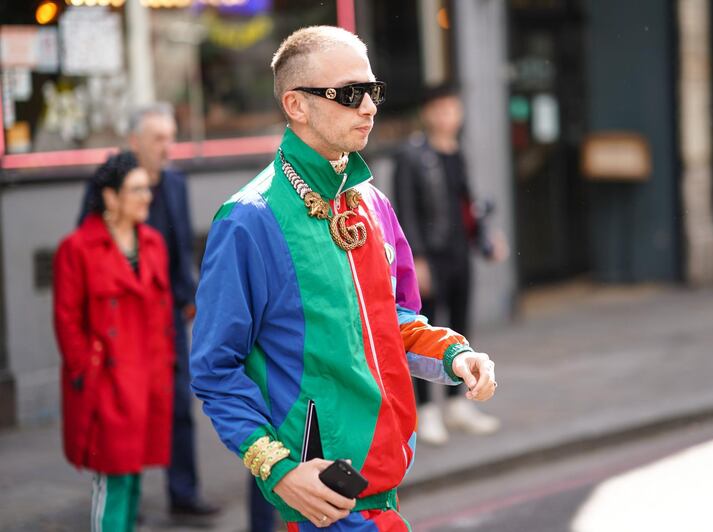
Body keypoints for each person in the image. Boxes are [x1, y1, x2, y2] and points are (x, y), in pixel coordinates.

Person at [190, 25, 498, 530]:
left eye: (372, 91)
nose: (369, 107)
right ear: (297, 105)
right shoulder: (249, 219)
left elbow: (391, 322)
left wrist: (454, 355)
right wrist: (281, 472)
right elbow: (215, 369)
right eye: (350, 94)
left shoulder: (373, 203)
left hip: (384, 489)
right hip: (315, 504)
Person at [78, 104, 220, 520]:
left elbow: (180, 247)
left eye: (171, 136)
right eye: (158, 138)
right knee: (125, 408)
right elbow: (89, 247)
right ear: (135, 141)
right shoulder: (107, 182)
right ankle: (127, 492)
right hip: (122, 322)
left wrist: (190, 295)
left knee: (178, 403)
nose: (168, 147)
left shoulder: (175, 182)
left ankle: (184, 493)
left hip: (166, 316)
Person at [53, 152, 175, 531]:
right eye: (136, 189)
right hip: (107, 383)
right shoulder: (76, 249)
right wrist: (85, 370)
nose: (147, 197)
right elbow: (66, 320)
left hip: (149, 380)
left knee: (135, 476)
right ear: (110, 197)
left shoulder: (153, 242)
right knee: (114, 481)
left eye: (147, 188)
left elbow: (163, 310)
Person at [393, 84, 508, 446]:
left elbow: (465, 205)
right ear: (428, 113)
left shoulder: (458, 152)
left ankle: (459, 404)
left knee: (460, 327)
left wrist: (486, 237)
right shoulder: (411, 155)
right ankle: (426, 412)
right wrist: (417, 262)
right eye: (441, 109)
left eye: (453, 109)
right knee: (422, 333)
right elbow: (406, 211)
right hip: (431, 257)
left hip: (460, 253)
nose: (448, 116)